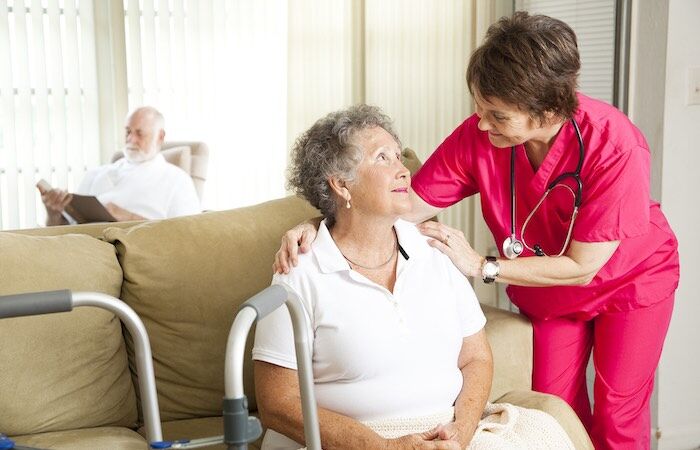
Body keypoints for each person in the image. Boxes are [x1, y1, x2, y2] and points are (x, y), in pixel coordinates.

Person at [273, 12, 679, 450]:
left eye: (498, 115)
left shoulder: (615, 145)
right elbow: (401, 206)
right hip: (550, 292)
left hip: (630, 284)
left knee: (618, 414)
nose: (482, 124)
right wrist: (322, 222)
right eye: (480, 108)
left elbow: (583, 266)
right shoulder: (480, 137)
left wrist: (480, 266)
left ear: (545, 110)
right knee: (556, 410)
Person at [254, 105, 574, 450]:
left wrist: (463, 430)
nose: (403, 170)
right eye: (382, 158)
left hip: (447, 433)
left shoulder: (435, 250)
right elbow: (277, 406)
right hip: (356, 441)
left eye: (398, 155)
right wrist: (384, 447)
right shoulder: (300, 271)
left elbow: (476, 358)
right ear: (342, 185)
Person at [40, 106, 200, 225]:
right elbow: (63, 233)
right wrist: (53, 213)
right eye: (128, 132)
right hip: (82, 248)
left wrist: (126, 217)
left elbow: (186, 236)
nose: (131, 139)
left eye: (139, 133)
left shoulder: (177, 180)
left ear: (160, 136)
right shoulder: (95, 174)